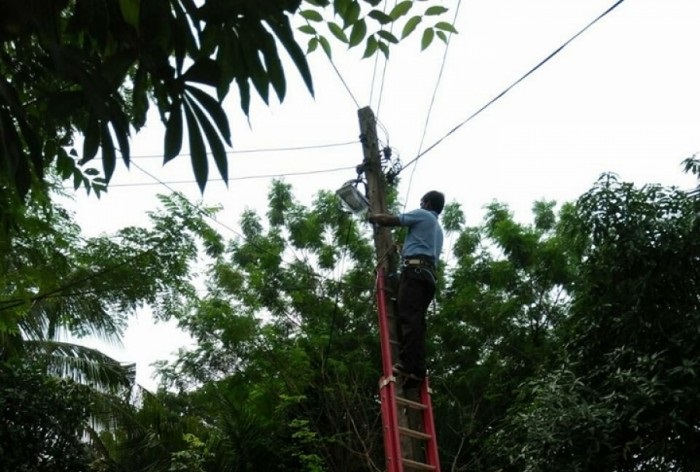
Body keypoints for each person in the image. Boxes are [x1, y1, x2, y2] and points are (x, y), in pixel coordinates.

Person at [368, 190, 445, 381]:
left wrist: (372, 217)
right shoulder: (437, 229)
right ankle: (418, 368)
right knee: (417, 322)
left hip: (415, 274)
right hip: (427, 278)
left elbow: (389, 220)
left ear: (427, 204)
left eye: (421, 202)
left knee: (409, 318)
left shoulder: (422, 215)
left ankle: (407, 363)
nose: (420, 205)